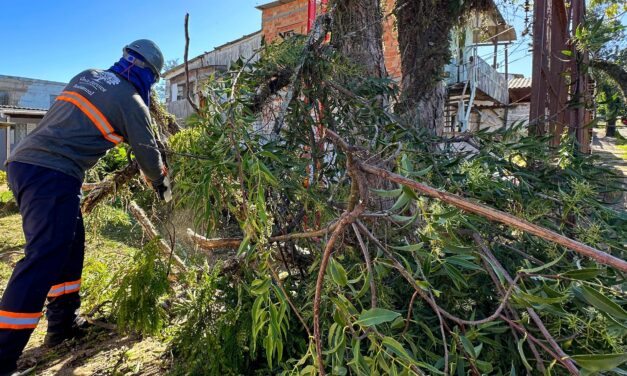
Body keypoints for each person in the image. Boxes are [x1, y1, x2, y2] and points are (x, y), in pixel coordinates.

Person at [0, 39, 170, 375]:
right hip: (51, 173)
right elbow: (148, 154)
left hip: (27, 164)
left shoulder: (87, 75)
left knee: (70, 245)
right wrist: (163, 187)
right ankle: (3, 356)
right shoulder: (132, 102)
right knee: (44, 257)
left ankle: (63, 325)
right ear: (148, 75)